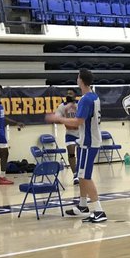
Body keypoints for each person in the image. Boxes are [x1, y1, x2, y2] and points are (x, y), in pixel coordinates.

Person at [46, 69, 107, 223]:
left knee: (85, 176)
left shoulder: (86, 100)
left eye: (78, 77)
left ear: (81, 80)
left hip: (89, 142)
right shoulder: (93, 96)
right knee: (80, 174)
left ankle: (99, 211)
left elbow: (78, 122)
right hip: (86, 140)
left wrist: (59, 119)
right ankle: (82, 205)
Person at [59, 90, 80, 184]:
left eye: (70, 94)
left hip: (81, 133)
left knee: (81, 154)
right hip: (70, 133)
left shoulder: (80, 104)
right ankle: (75, 175)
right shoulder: (62, 106)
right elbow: (58, 117)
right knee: (71, 154)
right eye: (67, 93)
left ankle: (81, 173)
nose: (68, 95)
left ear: (75, 96)